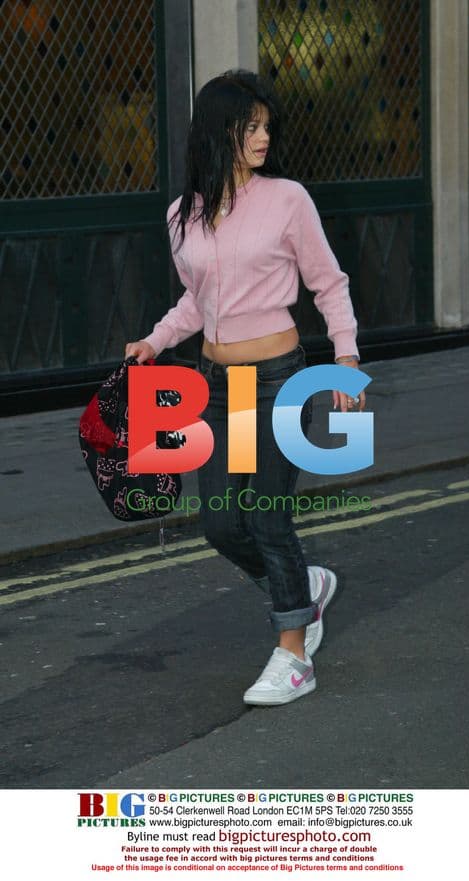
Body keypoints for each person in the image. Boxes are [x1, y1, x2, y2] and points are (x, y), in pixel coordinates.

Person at [125, 69, 365, 707]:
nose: (263, 137)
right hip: (221, 387)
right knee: (222, 523)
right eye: (250, 126)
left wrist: (346, 358)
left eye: (266, 127)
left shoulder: (287, 199)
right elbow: (197, 301)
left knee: (266, 513)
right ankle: (303, 586)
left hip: (281, 381)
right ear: (218, 131)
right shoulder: (182, 214)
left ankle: (294, 654)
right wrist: (154, 340)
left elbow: (328, 282)